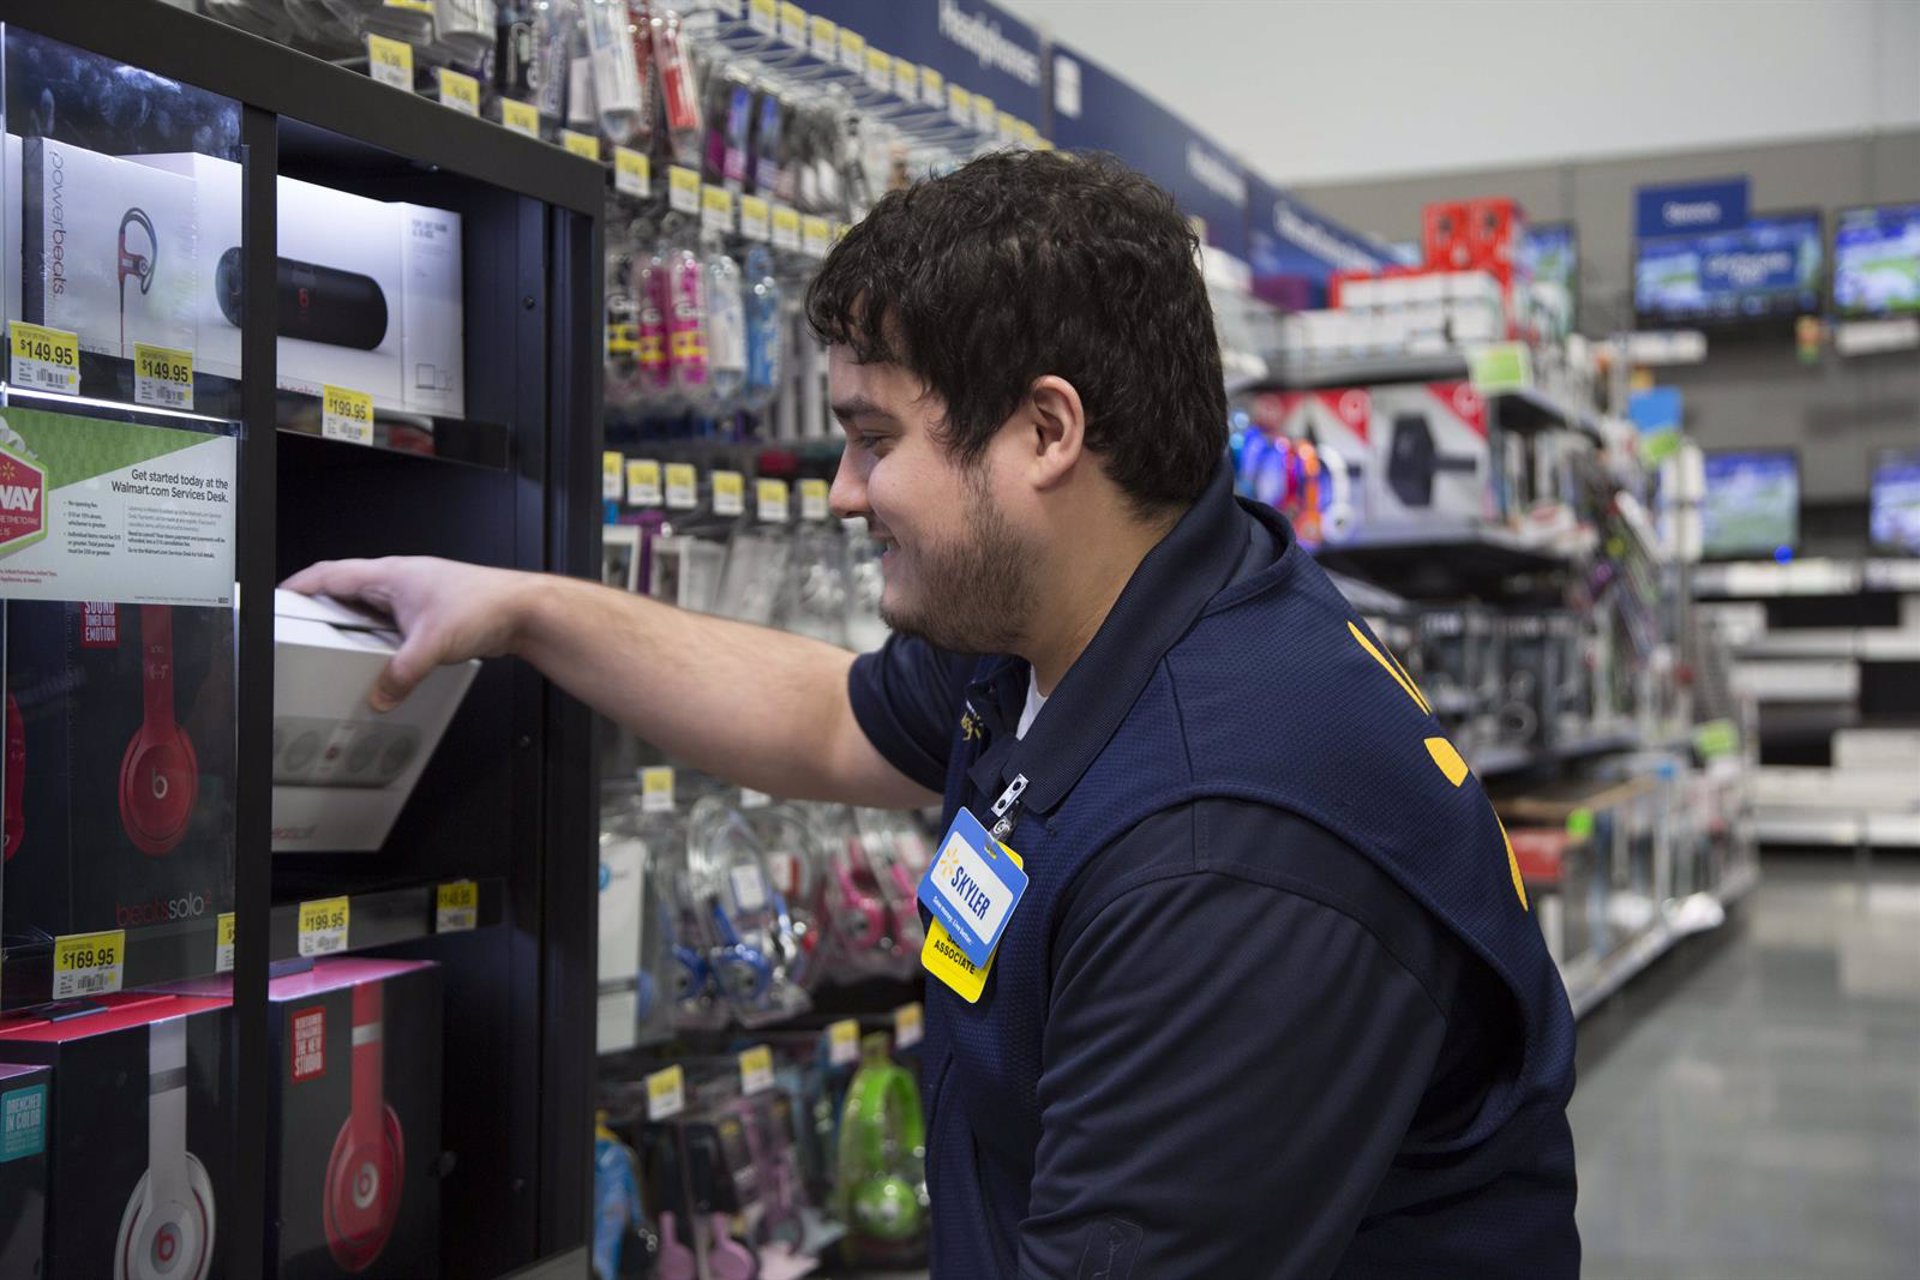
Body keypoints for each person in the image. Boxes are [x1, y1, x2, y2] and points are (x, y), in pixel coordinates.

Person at [288, 150, 1579, 1278]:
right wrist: (519, 608)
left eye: (872, 437)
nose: (845, 492)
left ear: (1045, 431)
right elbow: (825, 719)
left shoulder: (1226, 856)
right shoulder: (1086, 614)